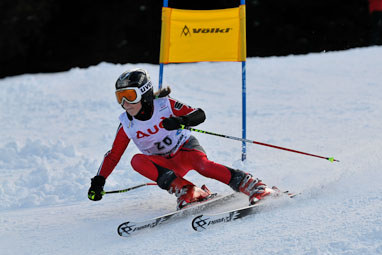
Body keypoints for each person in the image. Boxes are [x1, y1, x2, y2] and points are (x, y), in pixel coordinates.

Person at [88, 68, 275, 210]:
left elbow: (199, 114)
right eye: (120, 97)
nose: (125, 104)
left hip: (186, 150)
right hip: (166, 164)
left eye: (129, 96)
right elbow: (113, 155)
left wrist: (181, 121)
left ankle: (253, 185)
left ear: (144, 93)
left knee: (203, 166)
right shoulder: (127, 124)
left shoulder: (164, 105)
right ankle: (187, 189)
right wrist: (99, 180)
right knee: (137, 160)